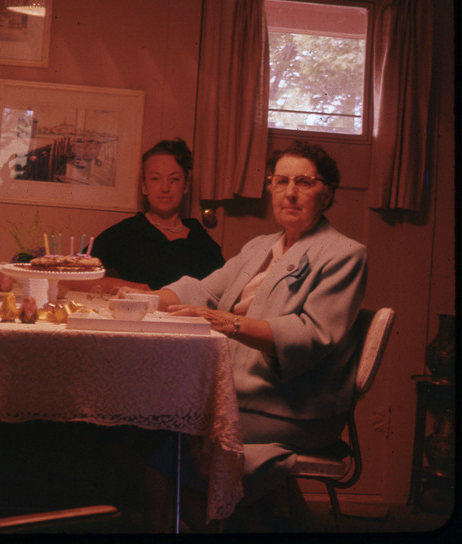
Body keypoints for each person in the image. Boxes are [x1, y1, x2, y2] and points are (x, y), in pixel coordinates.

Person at [124, 140, 367, 531]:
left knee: (162, 419)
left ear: (328, 193)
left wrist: (227, 323)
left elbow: (313, 335)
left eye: (305, 182)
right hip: (242, 390)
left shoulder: (344, 254)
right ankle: (197, 517)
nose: (290, 192)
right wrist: (143, 300)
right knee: (146, 415)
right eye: (281, 181)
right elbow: (202, 291)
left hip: (294, 405)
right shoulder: (259, 248)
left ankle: (202, 517)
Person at [84, 138, 225, 294]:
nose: (165, 188)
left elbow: (225, 289)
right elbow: (70, 276)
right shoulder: (127, 232)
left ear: (185, 186)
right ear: (144, 186)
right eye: (155, 179)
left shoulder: (199, 238)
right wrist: (132, 288)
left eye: (174, 180)